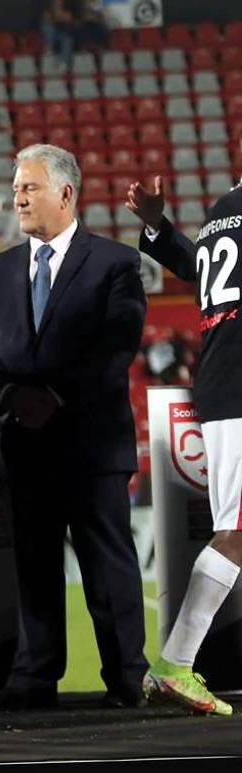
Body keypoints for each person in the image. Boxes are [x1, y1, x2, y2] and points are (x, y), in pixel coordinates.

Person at [0, 144, 148, 710]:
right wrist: (15, 395)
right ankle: (34, 677)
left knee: (107, 567)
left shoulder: (116, 262)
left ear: (66, 193)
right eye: (16, 187)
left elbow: (117, 344)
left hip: (90, 445)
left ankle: (127, 677)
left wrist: (56, 397)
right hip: (23, 442)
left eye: (29, 187)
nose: (17, 197)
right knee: (34, 567)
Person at [126, 174, 242, 715]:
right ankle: (176, 661)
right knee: (236, 533)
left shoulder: (224, 211)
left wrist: (156, 226)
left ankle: (176, 661)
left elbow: (200, 269)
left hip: (223, 386)